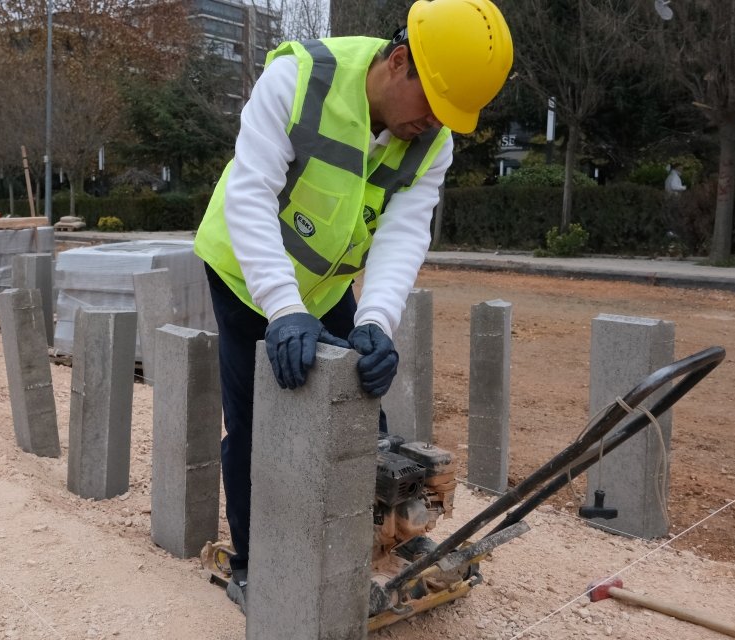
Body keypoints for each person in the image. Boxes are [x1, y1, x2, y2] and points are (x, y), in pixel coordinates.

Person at [191, 0, 514, 612]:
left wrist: (375, 322)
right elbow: (251, 194)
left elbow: (403, 232)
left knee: (361, 397)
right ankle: (257, 564)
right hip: (242, 272)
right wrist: (282, 308)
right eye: (433, 106)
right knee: (258, 419)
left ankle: (377, 537)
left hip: (325, 286)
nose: (436, 124)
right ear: (399, 63)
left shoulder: (432, 141)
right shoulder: (297, 80)